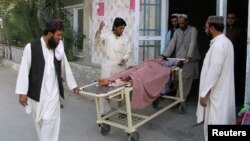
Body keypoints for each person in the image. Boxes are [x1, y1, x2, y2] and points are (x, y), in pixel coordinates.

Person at [15, 19, 80, 141]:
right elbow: (24, 70)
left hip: (53, 93)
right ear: (50, 34)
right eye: (58, 35)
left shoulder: (58, 48)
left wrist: (73, 85)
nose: (60, 38)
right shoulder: (31, 47)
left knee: (49, 121)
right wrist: (22, 92)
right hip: (37, 94)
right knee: (41, 123)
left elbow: (65, 66)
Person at [196, 16, 236, 141]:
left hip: (216, 95)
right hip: (222, 92)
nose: (205, 29)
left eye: (207, 27)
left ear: (212, 28)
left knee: (215, 124)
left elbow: (214, 72)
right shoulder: (226, 42)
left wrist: (204, 93)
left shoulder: (218, 45)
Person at [94, 17, 131, 115]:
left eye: (123, 28)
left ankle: (122, 111)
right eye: (120, 28)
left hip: (121, 68)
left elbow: (128, 51)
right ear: (114, 27)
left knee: (123, 90)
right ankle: (104, 113)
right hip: (108, 69)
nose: (122, 30)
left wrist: (125, 58)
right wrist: (100, 29)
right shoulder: (106, 36)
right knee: (105, 92)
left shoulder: (126, 37)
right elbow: (97, 41)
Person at [162, 14, 200, 100]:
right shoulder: (177, 31)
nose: (180, 25)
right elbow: (172, 44)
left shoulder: (193, 30)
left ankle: (180, 100)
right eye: (179, 23)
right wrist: (164, 55)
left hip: (190, 59)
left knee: (185, 79)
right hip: (179, 58)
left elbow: (192, 43)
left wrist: (189, 56)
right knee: (176, 79)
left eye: (182, 23)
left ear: (187, 22)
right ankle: (180, 97)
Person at [226, 11, 247, 107]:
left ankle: (235, 100)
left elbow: (242, 45)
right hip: (226, 59)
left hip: (236, 59)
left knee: (235, 80)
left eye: (232, 18)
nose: (230, 20)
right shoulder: (224, 30)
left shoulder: (240, 30)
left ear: (236, 19)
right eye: (228, 18)